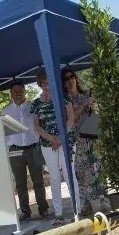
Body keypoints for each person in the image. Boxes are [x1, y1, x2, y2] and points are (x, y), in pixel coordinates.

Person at [30, 72, 77, 226]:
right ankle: (58, 214)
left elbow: (71, 118)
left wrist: (61, 138)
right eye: (43, 82)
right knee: (55, 178)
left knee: (69, 174)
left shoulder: (64, 97)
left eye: (49, 82)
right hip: (47, 144)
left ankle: (78, 210)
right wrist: (52, 139)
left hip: (67, 141)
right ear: (40, 84)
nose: (47, 85)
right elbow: (37, 125)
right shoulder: (36, 103)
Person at [62, 68, 108, 217]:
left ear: (76, 79)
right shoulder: (64, 101)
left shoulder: (86, 95)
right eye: (66, 79)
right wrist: (82, 105)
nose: (70, 80)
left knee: (97, 169)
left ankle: (102, 202)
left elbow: (97, 113)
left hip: (92, 138)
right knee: (82, 173)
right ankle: (87, 205)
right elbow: (70, 119)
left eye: (71, 77)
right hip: (76, 141)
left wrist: (93, 105)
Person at [3, 80, 49, 221]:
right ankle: (25, 212)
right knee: (20, 183)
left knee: (38, 181)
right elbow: (5, 134)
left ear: (25, 92)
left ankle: (43, 209)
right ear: (11, 93)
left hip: (34, 148)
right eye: (15, 92)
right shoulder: (5, 112)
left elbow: (41, 124)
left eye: (20, 91)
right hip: (15, 152)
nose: (18, 94)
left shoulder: (33, 107)